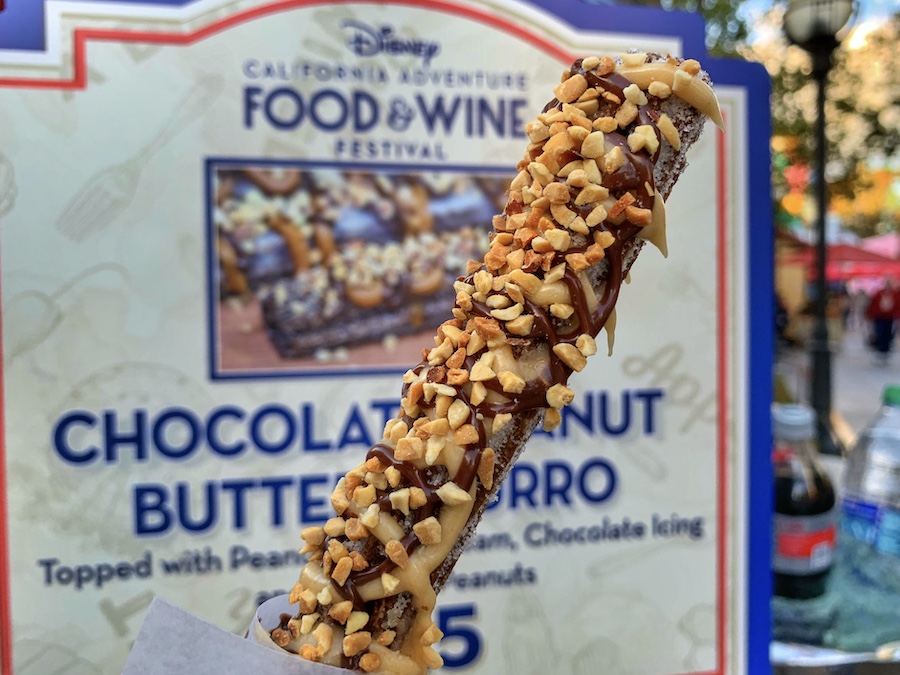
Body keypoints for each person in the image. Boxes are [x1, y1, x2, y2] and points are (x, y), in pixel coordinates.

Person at [866, 278, 900, 361]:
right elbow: (872, 304)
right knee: (879, 332)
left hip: (890, 317)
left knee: (888, 333)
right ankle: (880, 348)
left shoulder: (895, 294)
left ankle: (886, 349)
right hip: (879, 317)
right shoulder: (879, 293)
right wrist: (870, 314)